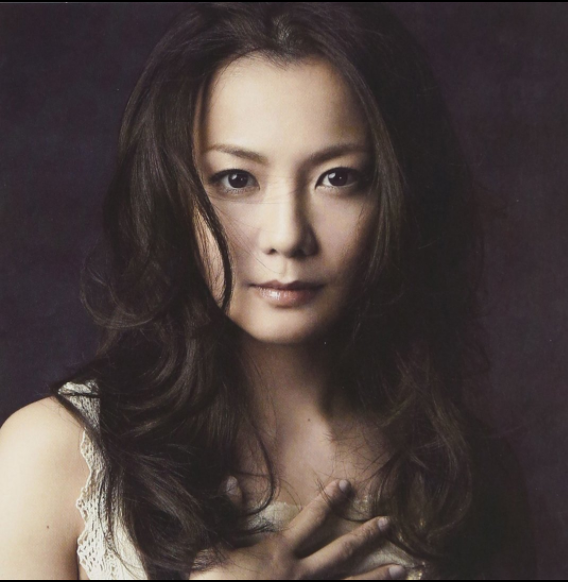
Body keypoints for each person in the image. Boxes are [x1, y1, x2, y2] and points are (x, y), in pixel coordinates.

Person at [0, 3, 536, 580]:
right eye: (237, 180)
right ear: (173, 197)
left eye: (337, 178)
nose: (287, 236)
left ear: (398, 196)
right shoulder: (52, 457)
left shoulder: (461, 475)